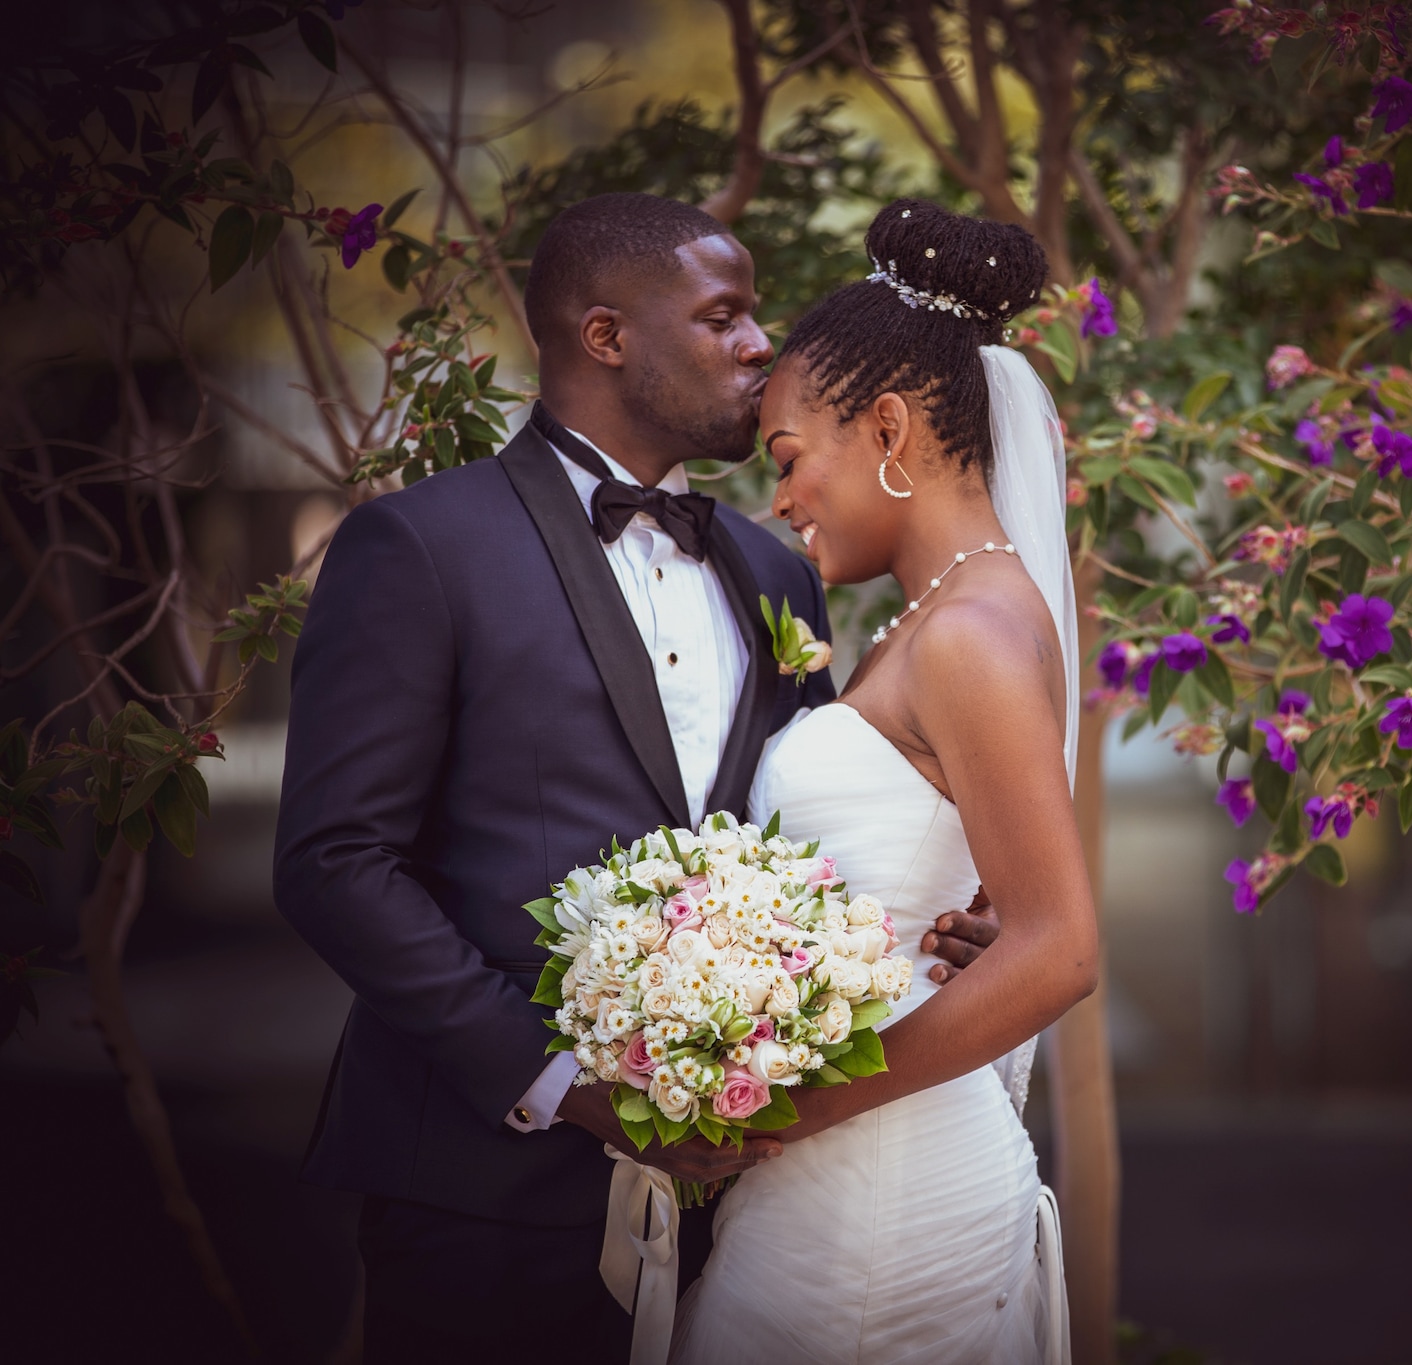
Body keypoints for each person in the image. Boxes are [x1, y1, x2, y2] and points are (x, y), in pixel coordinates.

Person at [272, 193, 999, 1365]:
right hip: (479, 1192)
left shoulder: (775, 570)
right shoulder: (419, 547)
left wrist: (947, 924)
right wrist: (562, 1081)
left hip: (745, 1198)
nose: (761, 344)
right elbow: (332, 865)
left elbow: (808, 831)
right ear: (605, 336)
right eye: (725, 315)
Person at [668, 200, 1095, 1364]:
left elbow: (1058, 948)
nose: (784, 499)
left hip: (883, 1194)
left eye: (793, 460)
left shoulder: (968, 634)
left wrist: (795, 1106)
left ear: (892, 430)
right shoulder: (942, 620)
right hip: (854, 1169)